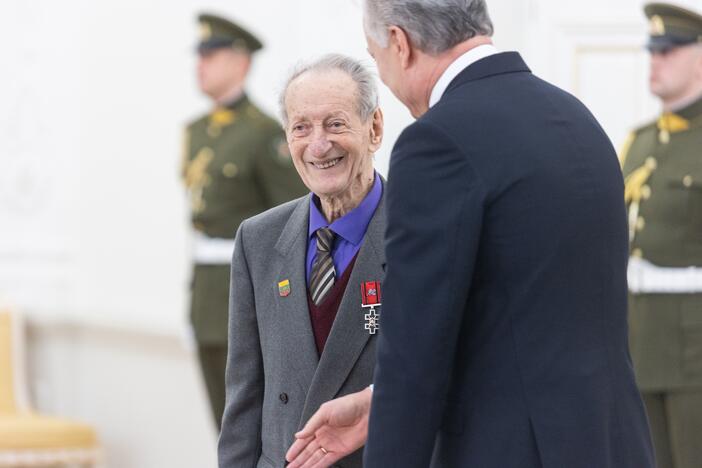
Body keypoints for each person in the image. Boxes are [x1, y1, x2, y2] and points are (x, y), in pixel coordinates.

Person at [286, 1, 655, 467]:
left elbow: (414, 350)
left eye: (375, 57)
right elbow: (525, 311)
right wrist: (376, 403)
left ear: (400, 44)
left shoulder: (436, 142)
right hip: (610, 443)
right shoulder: (574, 117)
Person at [217, 54, 386, 468]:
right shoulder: (257, 239)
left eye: (335, 123)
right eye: (301, 127)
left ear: (375, 128)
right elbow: (244, 397)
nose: (318, 144)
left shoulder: (422, 235)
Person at [181, 13, 307, 429]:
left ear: (240, 62)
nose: (201, 64)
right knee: (222, 426)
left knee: (251, 426)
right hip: (206, 292)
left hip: (247, 294)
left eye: (212, 55)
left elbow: (291, 224)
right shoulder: (197, 130)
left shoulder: (264, 134)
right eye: (200, 55)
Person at [619, 4, 702, 468]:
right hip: (640, 342)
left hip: (696, 350)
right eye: (653, 51)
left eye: (669, 51)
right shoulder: (640, 141)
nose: (656, 61)